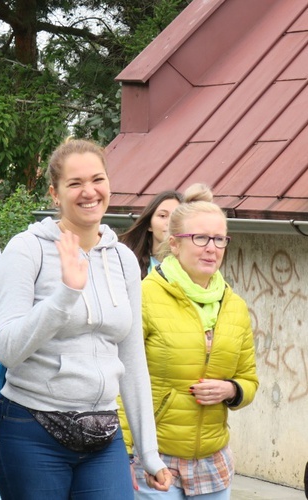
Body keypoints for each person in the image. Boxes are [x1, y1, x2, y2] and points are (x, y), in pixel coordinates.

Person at [0, 138, 172, 499]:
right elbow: (8, 349)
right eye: (75, 183)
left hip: (103, 435)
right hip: (32, 431)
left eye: (97, 179)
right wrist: (65, 295)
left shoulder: (121, 258)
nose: (89, 192)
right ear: (55, 194)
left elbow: (132, 356)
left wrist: (148, 452)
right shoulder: (26, 249)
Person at [123, 183, 259, 499]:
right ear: (175, 243)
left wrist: (232, 390)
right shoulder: (145, 296)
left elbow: (249, 379)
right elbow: (122, 380)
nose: (211, 248)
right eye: (200, 238)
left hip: (214, 463)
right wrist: (125, 453)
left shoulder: (235, 306)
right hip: (155, 460)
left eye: (219, 239)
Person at [119, 190, 183, 278]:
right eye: (163, 216)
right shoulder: (127, 262)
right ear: (149, 224)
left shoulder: (193, 268)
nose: (169, 222)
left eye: (176, 217)